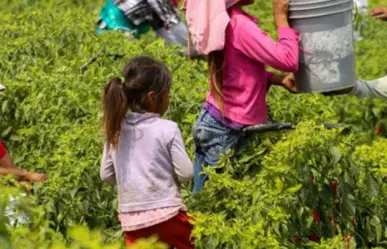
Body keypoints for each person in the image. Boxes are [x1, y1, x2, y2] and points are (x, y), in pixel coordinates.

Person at [183, 0, 300, 193]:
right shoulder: (240, 26)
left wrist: (276, 79)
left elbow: (238, 71)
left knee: (205, 201)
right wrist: (281, 19)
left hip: (216, 124)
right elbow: (288, 60)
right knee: (214, 203)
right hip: (224, 130)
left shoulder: (227, 20)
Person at [100, 56, 195, 249]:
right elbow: (186, 173)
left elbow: (106, 174)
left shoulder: (115, 128)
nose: (168, 98)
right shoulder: (167, 128)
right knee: (203, 236)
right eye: (167, 93)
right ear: (153, 98)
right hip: (168, 216)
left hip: (131, 222)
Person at [98, 0, 197, 57]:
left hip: (106, 20)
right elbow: (178, 34)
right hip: (117, 23)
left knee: (106, 58)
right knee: (122, 60)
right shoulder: (161, 3)